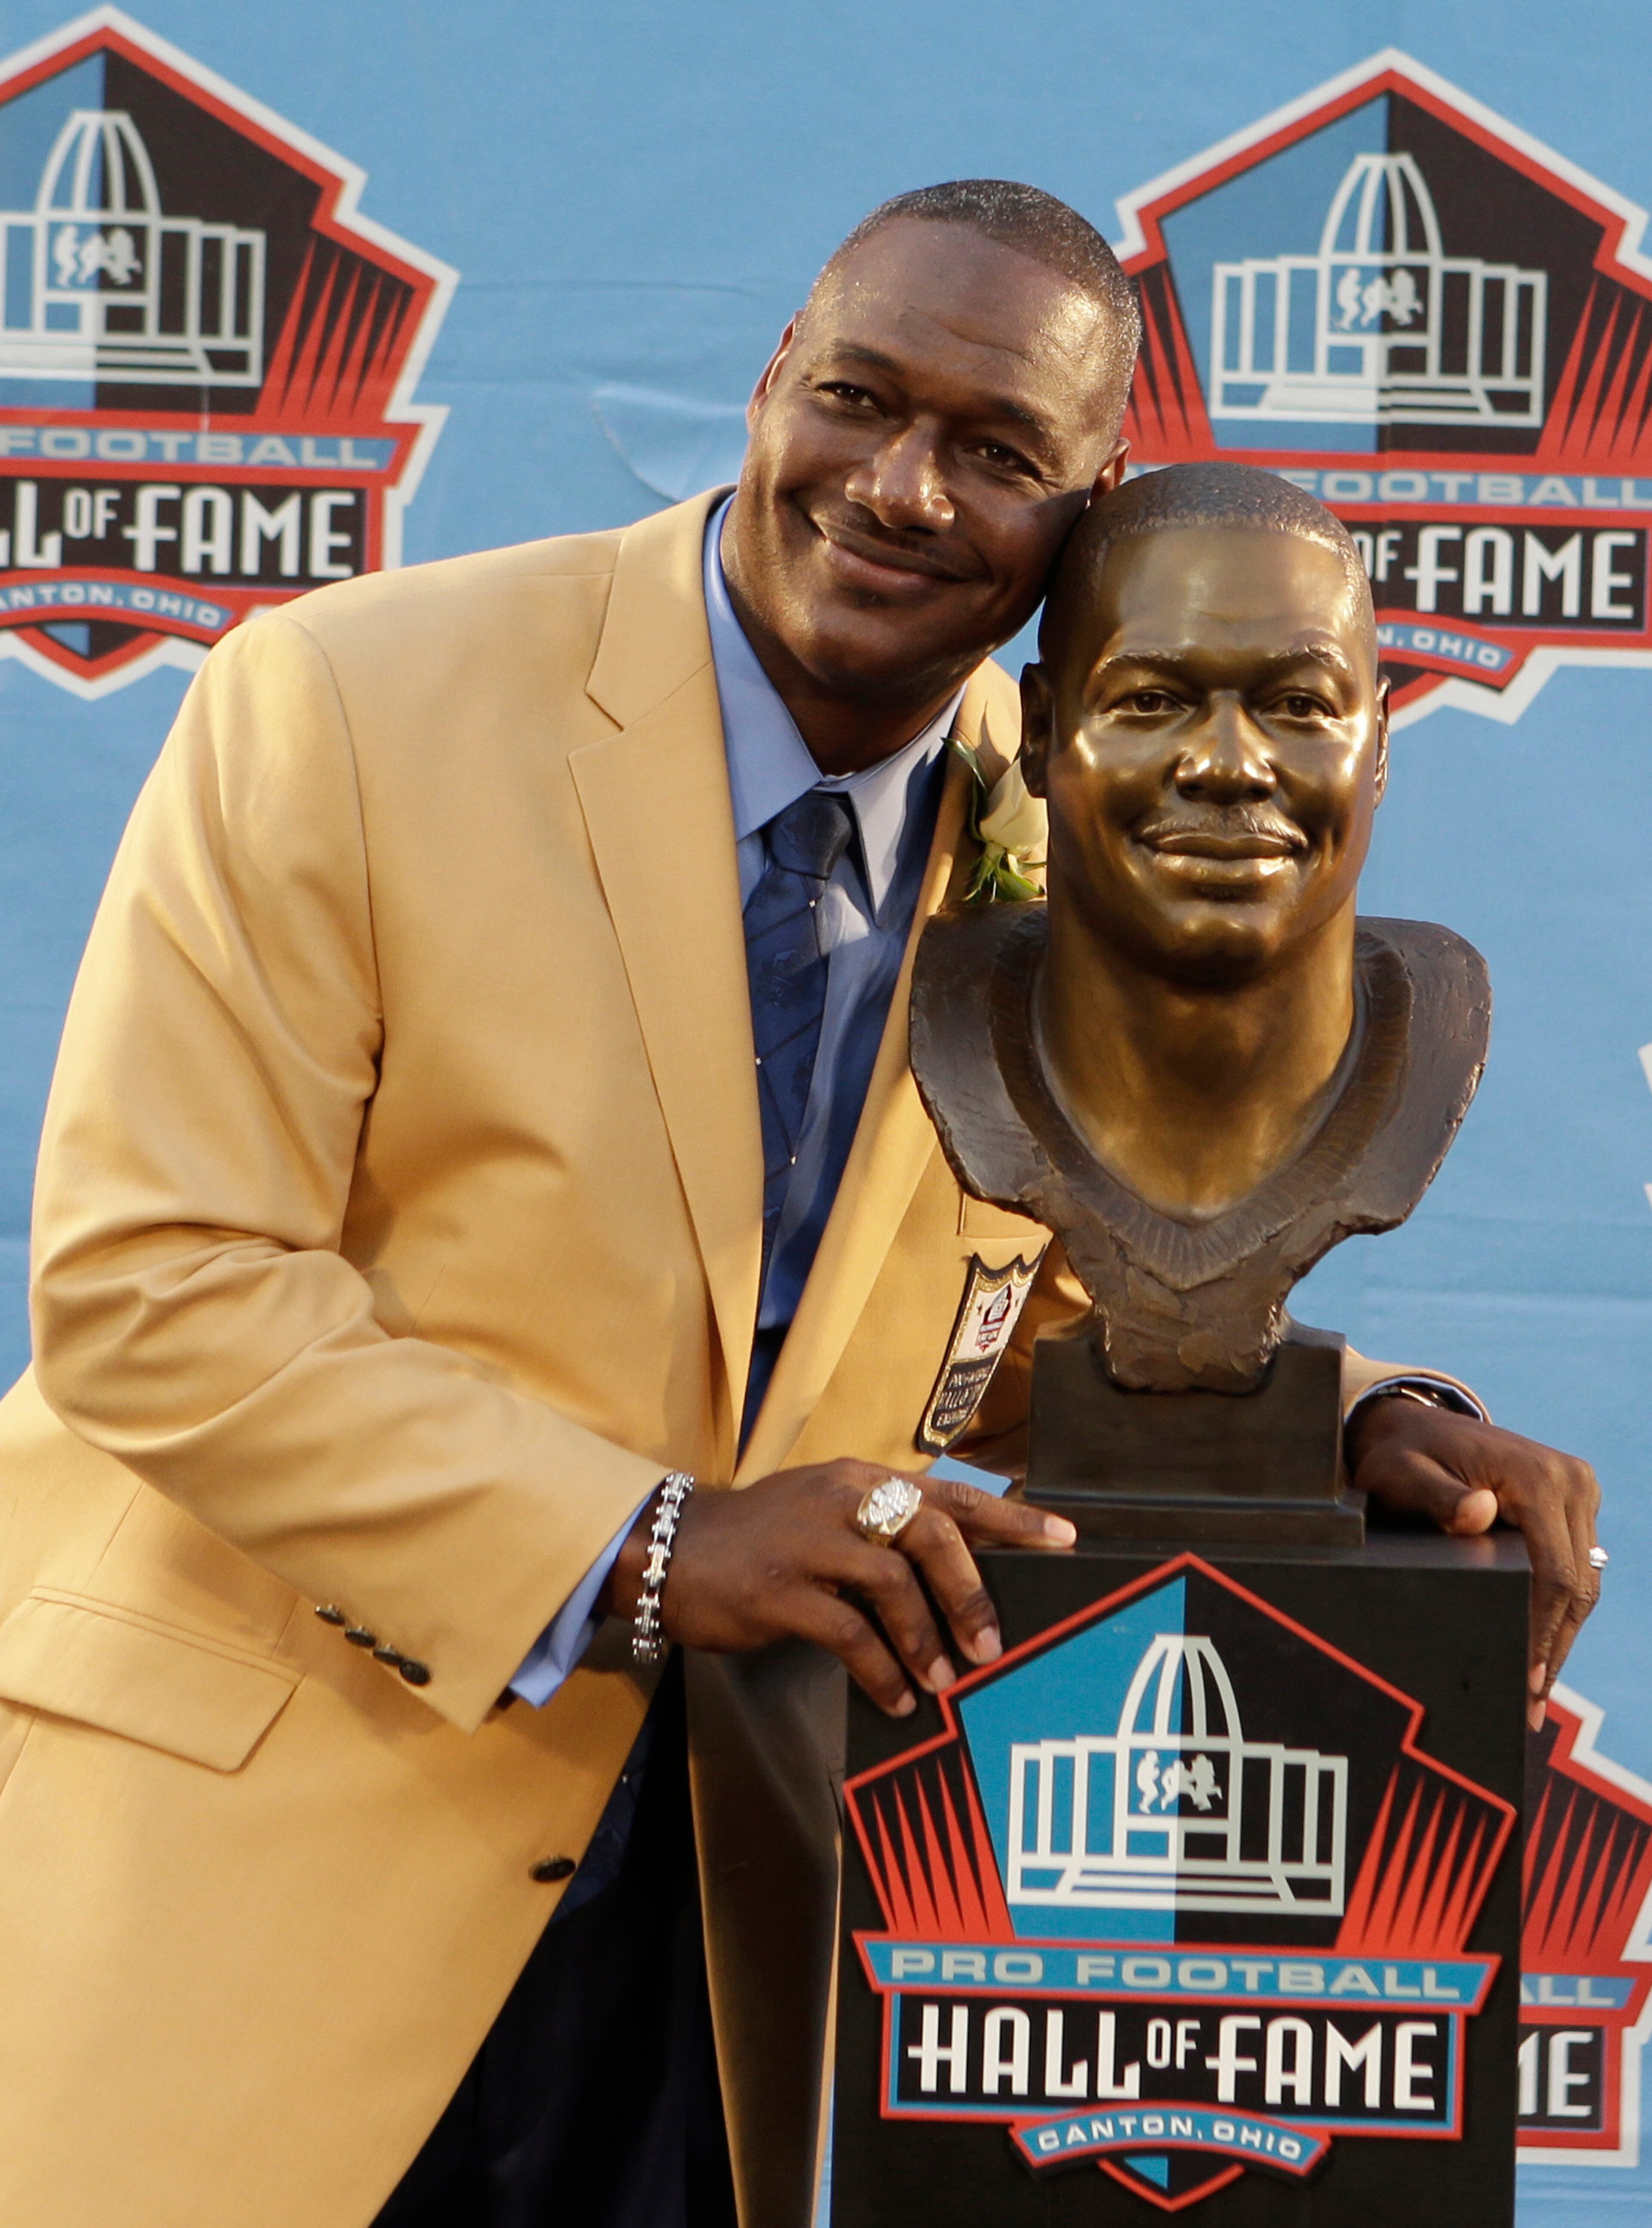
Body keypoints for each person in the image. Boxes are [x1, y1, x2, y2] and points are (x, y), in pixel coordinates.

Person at [0, 183, 1599, 2228]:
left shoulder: (1079, 802)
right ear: (771, 382)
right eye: (859, 398)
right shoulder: (347, 698)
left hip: (734, 1925)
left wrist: (1354, 1416)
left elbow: (992, 1312)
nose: (906, 488)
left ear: (1085, 518)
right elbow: (161, 1286)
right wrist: (653, 1546)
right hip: (265, 1875)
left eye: (1003, 454)